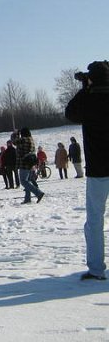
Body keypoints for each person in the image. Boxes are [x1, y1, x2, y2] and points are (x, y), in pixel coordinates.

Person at [65, 60, 109, 280]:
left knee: (94, 221)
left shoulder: (89, 99)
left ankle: (96, 268)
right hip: (98, 169)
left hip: (98, 169)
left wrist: (85, 88)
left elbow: (70, 113)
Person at [16, 128, 43, 204]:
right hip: (30, 162)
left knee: (23, 181)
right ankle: (27, 198)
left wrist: (16, 134)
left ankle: (39, 193)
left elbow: (15, 142)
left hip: (24, 163)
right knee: (27, 181)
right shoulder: (31, 139)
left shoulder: (24, 139)